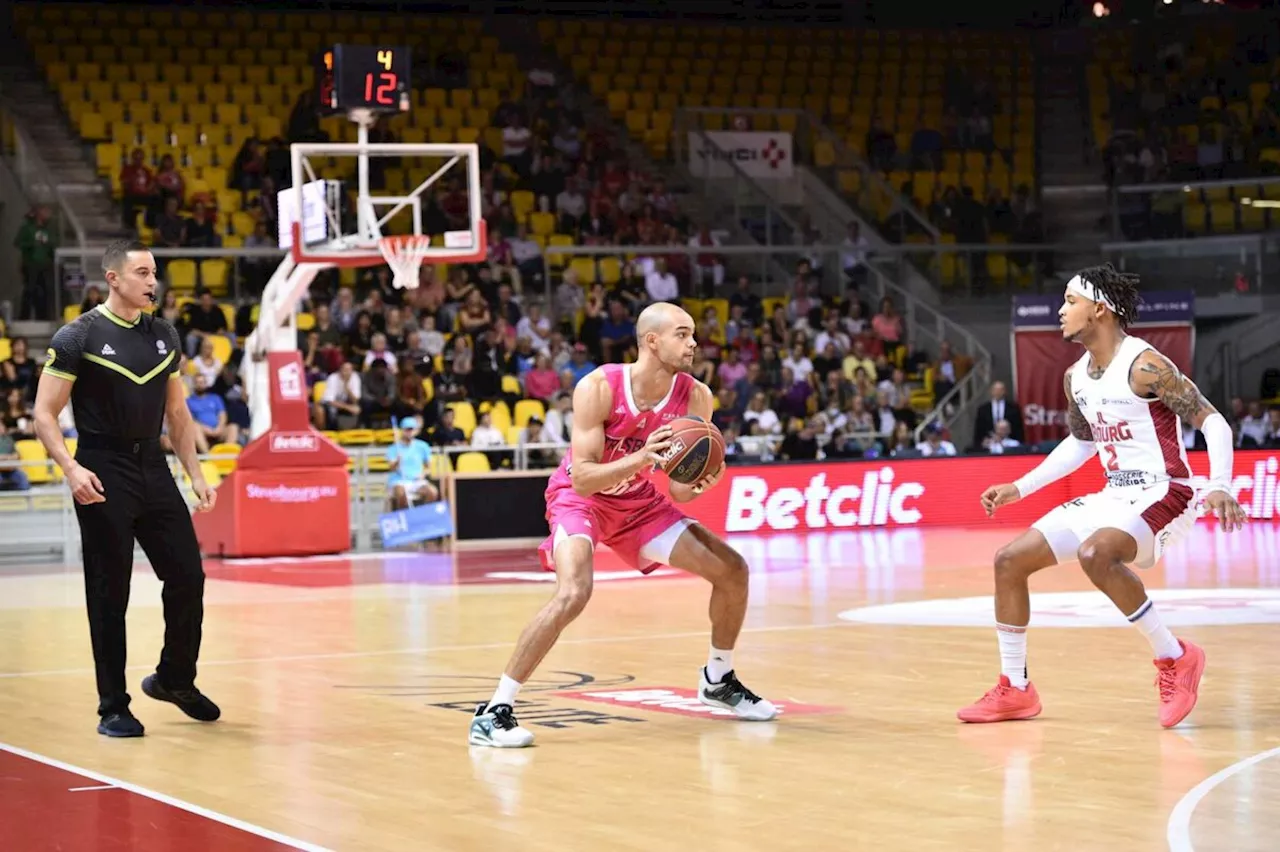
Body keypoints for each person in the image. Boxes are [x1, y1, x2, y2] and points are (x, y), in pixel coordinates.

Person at [469, 302, 777, 748]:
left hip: (639, 505)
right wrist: (642, 457)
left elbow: (678, 492)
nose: (693, 343)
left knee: (733, 570)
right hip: (581, 501)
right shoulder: (599, 387)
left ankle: (718, 678)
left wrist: (701, 482)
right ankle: (495, 710)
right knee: (574, 592)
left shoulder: (696, 397)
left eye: (692, 335)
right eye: (682, 334)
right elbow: (585, 477)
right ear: (652, 341)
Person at [960, 264, 1248, 728]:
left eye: (1070, 301)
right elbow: (1082, 443)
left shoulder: (1146, 365)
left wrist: (1220, 484)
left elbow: (1212, 420)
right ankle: (1015, 688)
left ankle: (1175, 658)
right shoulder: (1076, 375)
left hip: (1166, 490)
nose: (1060, 311)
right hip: (1115, 494)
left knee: (1098, 553)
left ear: (1100, 309)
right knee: (1008, 561)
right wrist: (1021, 487)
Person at [32, 239, 221, 738]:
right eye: (141, 273)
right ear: (114, 278)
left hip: (153, 466)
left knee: (188, 576)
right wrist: (72, 469)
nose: (152, 282)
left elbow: (177, 414)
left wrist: (196, 473)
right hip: (102, 464)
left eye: (154, 272)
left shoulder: (165, 335)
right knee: (109, 591)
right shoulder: (78, 336)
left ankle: (175, 679)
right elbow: (43, 414)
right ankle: (113, 705)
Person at [386, 417, 439, 509]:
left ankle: (423, 516)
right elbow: (391, 468)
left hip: (416, 480)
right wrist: (397, 462)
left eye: (411, 429)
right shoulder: (393, 448)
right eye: (407, 429)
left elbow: (428, 467)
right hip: (399, 480)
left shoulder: (422, 446)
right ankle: (405, 518)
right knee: (402, 495)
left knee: (432, 492)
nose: (409, 432)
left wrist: (423, 474)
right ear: (402, 430)